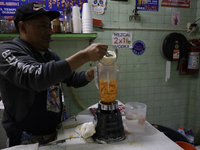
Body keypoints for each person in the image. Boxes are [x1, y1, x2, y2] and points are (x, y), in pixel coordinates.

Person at [0, 2, 107, 147]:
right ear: (23, 27)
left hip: (54, 132)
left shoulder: (48, 54)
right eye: (42, 26)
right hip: (25, 137)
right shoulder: (8, 50)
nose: (50, 31)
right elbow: (36, 77)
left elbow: (72, 78)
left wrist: (92, 73)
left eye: (49, 26)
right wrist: (85, 56)